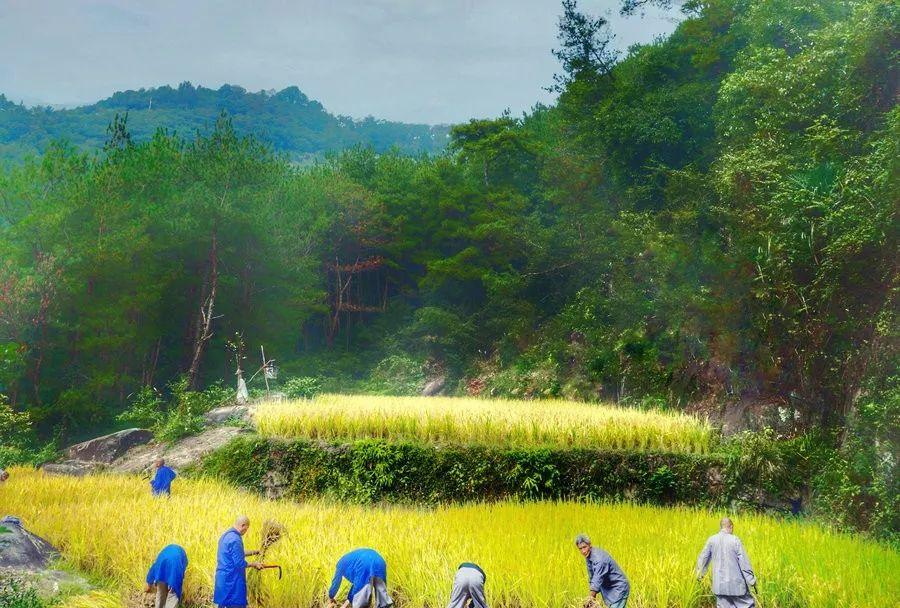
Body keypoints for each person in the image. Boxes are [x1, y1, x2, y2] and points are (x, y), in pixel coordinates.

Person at [696, 517, 757, 608]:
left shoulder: (711, 540)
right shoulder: (735, 540)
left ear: (721, 527)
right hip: (737, 586)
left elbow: (703, 559)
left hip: (719, 587)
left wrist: (699, 575)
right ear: (731, 527)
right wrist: (752, 580)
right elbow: (744, 563)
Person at [213, 515, 263, 608]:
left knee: (223, 605)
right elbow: (239, 563)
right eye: (246, 529)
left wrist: (255, 552)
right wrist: (254, 564)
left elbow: (236, 553)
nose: (246, 531)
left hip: (222, 580)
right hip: (232, 582)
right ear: (243, 525)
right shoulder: (235, 539)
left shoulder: (226, 536)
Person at [575, 534, 630, 608]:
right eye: (580, 548)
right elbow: (592, 578)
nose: (583, 551)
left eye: (584, 547)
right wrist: (592, 598)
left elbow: (597, 579)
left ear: (590, 545)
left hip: (618, 588)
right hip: (610, 589)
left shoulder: (599, 559)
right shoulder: (588, 556)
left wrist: (590, 599)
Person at [327, 548, 393, 608]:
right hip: (380, 561)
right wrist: (346, 602)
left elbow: (336, 582)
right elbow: (356, 584)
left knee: (361, 602)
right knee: (382, 599)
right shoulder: (350, 561)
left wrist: (331, 596)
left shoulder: (340, 564)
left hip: (364, 564)